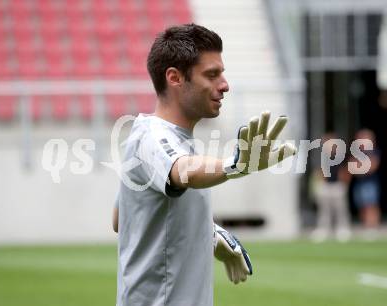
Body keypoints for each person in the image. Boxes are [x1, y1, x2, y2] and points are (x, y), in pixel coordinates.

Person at [112, 24, 296, 306]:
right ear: (174, 78)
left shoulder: (167, 139)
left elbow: (122, 218)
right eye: (212, 74)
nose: (225, 84)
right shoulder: (151, 138)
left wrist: (210, 234)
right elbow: (183, 171)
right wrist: (235, 166)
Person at [310, 132, 352, 242]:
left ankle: (343, 229)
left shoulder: (341, 155)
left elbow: (346, 170)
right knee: (324, 210)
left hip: (337, 185)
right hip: (325, 186)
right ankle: (323, 230)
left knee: (340, 209)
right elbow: (318, 172)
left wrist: (344, 183)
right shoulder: (321, 156)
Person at [350, 128, 381, 240]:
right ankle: (366, 226)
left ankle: (373, 227)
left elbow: (372, 167)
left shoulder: (373, 151)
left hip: (370, 183)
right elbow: (352, 167)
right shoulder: (357, 153)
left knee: (371, 205)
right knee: (362, 206)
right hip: (360, 183)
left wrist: (361, 168)